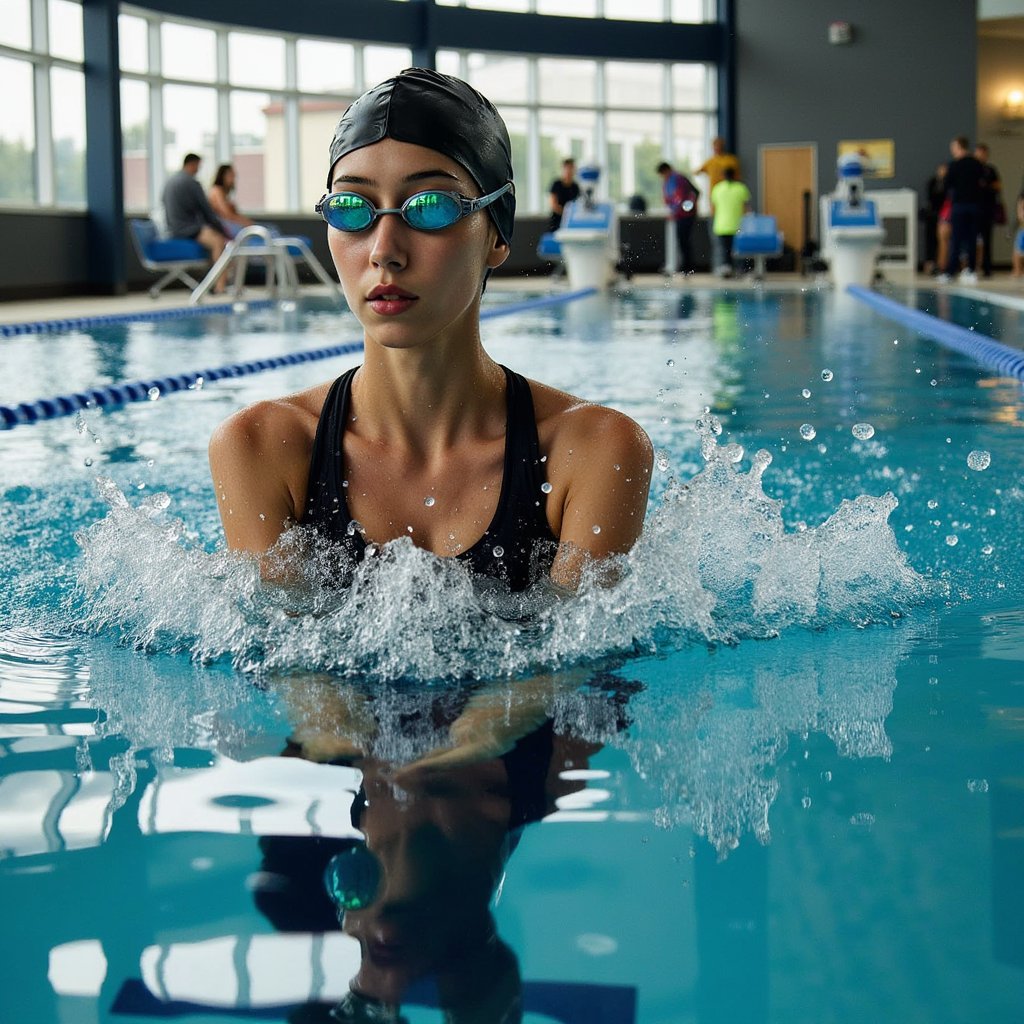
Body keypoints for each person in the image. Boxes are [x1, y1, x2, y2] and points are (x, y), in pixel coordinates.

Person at [208, 68, 653, 595]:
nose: (383, 250)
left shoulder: (592, 450)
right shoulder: (261, 447)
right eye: (353, 209)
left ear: (496, 233)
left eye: (431, 207)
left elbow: (568, 676)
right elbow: (291, 673)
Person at [161, 152, 229, 292]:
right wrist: (221, 229)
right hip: (186, 229)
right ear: (192, 164)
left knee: (213, 236)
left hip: (172, 228)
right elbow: (206, 211)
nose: (198, 170)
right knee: (218, 241)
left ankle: (210, 281)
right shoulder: (191, 183)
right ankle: (219, 286)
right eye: (198, 166)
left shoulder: (170, 181)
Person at [937, 135, 985, 285]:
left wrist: (944, 176)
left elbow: (946, 186)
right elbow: (982, 182)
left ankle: (950, 272)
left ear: (958, 147)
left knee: (956, 239)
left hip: (959, 206)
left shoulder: (954, 165)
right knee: (972, 238)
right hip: (974, 205)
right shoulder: (977, 164)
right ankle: (970, 270)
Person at [698, 137, 740, 272]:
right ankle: (721, 267)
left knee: (729, 244)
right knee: (720, 244)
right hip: (718, 209)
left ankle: (731, 268)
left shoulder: (730, 161)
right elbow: (698, 171)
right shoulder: (711, 162)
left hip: (728, 213)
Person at [656, 160, 700, 274]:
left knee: (684, 241)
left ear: (666, 170)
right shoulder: (669, 181)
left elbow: (680, 198)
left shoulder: (678, 179)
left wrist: (678, 211)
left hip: (685, 215)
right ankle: (684, 266)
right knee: (682, 241)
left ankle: (687, 267)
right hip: (680, 215)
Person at [709, 165, 752, 276]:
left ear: (723, 176)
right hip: (738, 225)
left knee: (725, 250)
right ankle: (741, 270)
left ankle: (727, 269)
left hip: (721, 225)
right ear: (735, 175)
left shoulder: (717, 188)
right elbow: (747, 208)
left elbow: (712, 208)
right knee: (739, 250)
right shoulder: (741, 188)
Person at [974, 142, 1002, 279]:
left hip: (987, 209)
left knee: (987, 240)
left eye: (983, 153)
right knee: (972, 240)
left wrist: (987, 186)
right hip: (974, 209)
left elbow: (997, 186)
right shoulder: (972, 170)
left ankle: (987, 267)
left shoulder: (990, 170)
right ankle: (972, 267)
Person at [208, 162, 255, 238]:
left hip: (228, 224)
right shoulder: (216, 191)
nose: (233, 179)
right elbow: (227, 214)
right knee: (250, 234)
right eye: (231, 176)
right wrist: (245, 222)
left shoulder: (225, 193)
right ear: (223, 176)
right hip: (223, 226)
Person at [922, 162, 946, 276]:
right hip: (932, 215)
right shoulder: (932, 183)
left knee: (942, 241)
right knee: (931, 240)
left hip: (944, 215)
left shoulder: (948, 185)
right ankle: (930, 263)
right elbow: (931, 198)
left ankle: (941, 263)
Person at [547, 157, 580, 233]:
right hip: (557, 221)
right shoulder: (556, 184)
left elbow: (578, 204)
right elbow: (553, 205)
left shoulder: (575, 187)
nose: (569, 171)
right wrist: (567, 213)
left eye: (571, 168)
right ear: (563, 169)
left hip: (571, 222)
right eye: (567, 168)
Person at [1014, 192, 1024, 280]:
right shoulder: (1021, 200)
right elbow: (1020, 215)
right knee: (1018, 251)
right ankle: (1017, 271)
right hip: (1022, 229)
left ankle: (1018, 270)